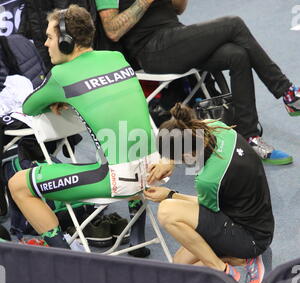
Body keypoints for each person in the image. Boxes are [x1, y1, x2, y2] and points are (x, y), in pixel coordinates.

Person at [8, 4, 165, 250]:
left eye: (49, 37)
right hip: (153, 170)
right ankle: (137, 238)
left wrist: (58, 98)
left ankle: (64, 255)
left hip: (116, 180)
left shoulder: (61, 74)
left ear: (67, 41)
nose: (46, 44)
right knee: (114, 144)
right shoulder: (116, 57)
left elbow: (29, 107)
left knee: (17, 184)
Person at [96, 0, 300, 165]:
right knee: (233, 23)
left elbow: (178, 8)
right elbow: (113, 30)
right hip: (151, 50)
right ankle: (287, 92)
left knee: (237, 55)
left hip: (175, 36)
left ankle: (250, 138)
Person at [144, 103, 274, 283]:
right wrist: (169, 162)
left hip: (249, 235)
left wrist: (170, 195)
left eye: (178, 158)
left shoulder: (210, 179)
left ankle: (227, 265)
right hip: (255, 218)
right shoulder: (214, 126)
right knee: (178, 267)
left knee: (167, 211)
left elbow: (203, 209)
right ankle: (232, 258)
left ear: (187, 153)